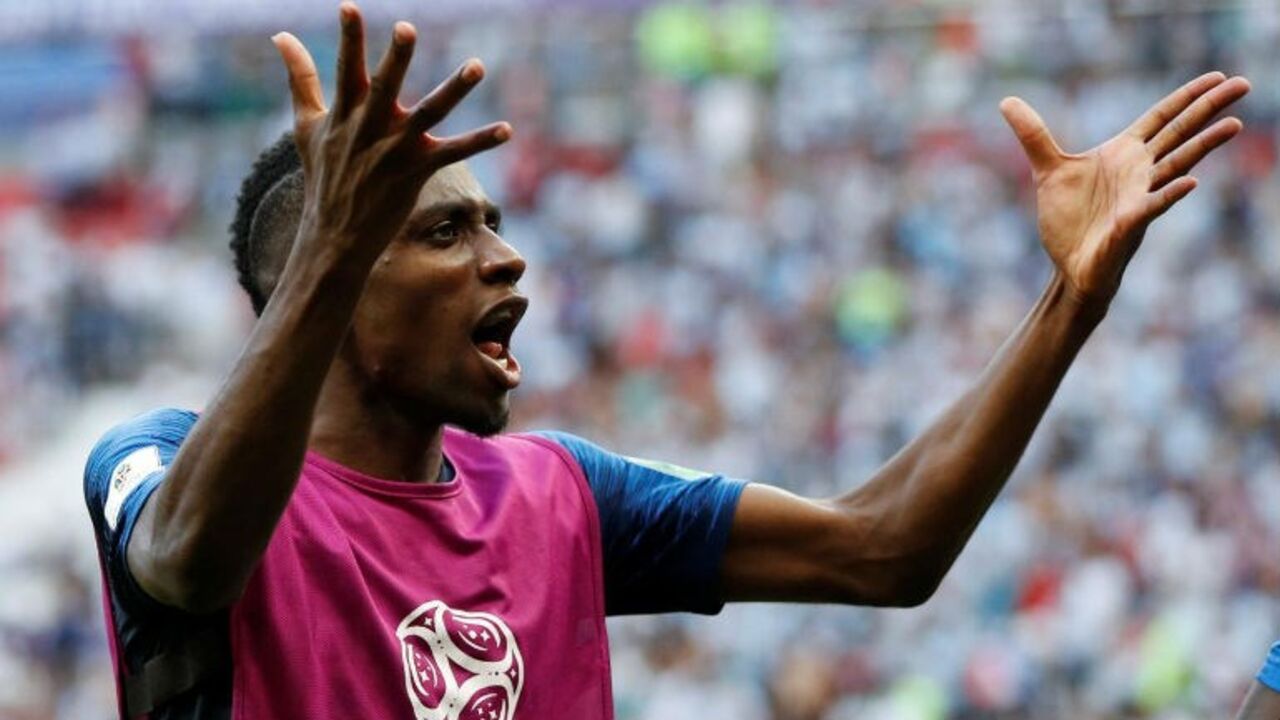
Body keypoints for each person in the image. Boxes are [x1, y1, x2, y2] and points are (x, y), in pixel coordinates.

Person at [81, 4, 1250, 718]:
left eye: (493, 222)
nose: (507, 258)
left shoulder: (556, 494)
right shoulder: (158, 462)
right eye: (443, 232)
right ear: (328, 276)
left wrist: (1068, 302)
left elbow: (883, 549)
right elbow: (185, 563)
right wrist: (331, 251)